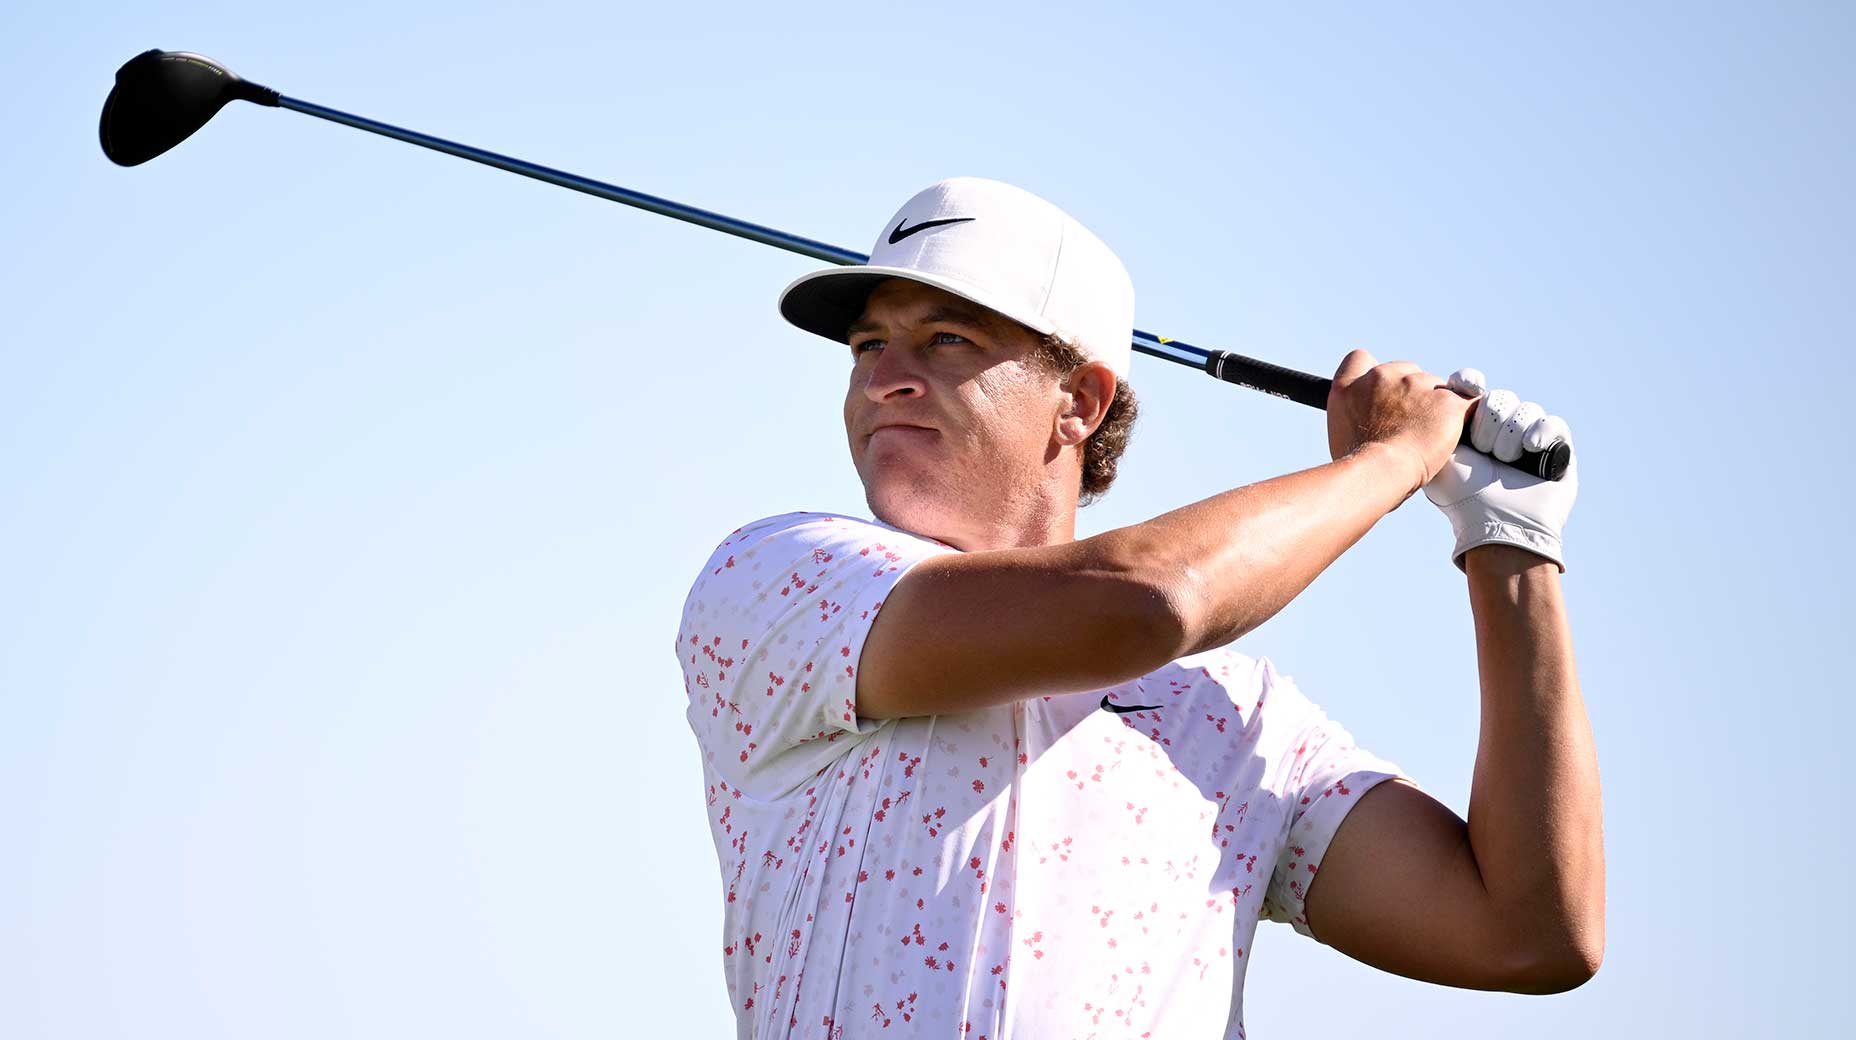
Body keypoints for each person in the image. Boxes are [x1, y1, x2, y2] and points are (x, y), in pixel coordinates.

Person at [676, 177, 1602, 1039]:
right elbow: (1149, 601)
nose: (883, 380)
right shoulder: (784, 579)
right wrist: (1391, 460)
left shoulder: (1241, 720)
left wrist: (1509, 547)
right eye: (869, 346)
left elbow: (1528, 932)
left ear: (1078, 400)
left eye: (945, 341)